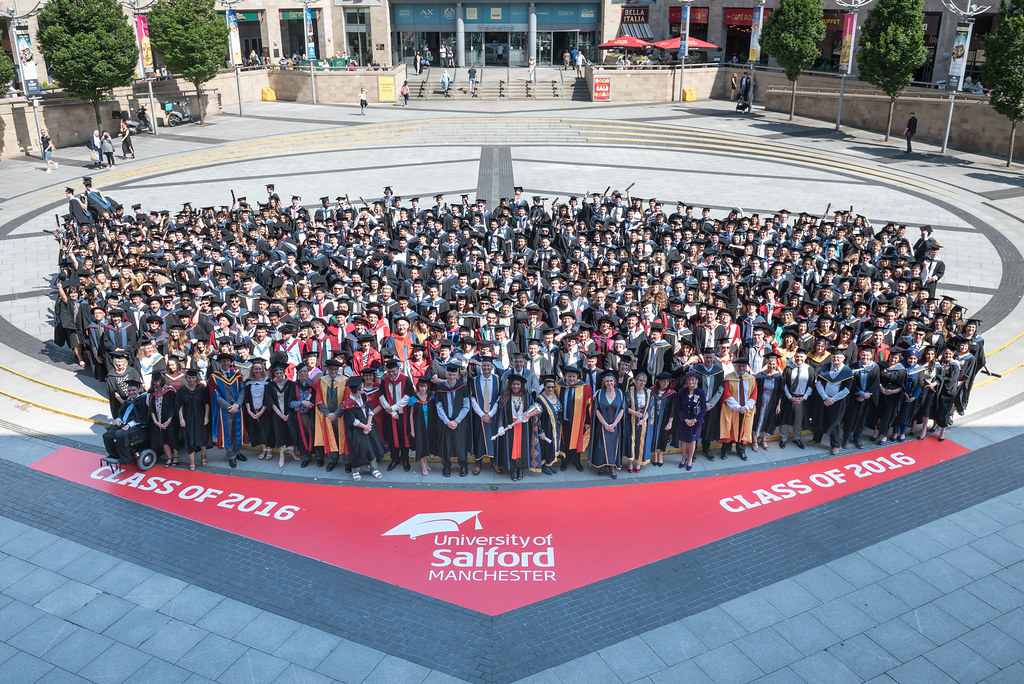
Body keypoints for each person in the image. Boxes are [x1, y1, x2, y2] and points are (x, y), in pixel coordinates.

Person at [342, 375, 385, 481]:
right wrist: (364, 427)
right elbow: (352, 421)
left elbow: (370, 412)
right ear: (357, 389)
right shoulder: (348, 404)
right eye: (361, 386)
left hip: (368, 427)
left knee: (371, 448)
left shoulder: (365, 397)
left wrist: (368, 426)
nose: (363, 386)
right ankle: (355, 470)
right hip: (356, 430)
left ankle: (374, 468)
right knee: (357, 449)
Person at [496, 373, 537, 481]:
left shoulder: (527, 397)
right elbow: (501, 413)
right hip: (510, 426)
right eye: (514, 384)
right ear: (510, 385)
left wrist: (528, 417)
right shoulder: (505, 397)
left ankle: (520, 468)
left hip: (523, 427)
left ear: (522, 385)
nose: (516, 386)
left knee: (521, 448)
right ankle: (513, 469)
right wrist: (500, 426)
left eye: (518, 384)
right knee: (512, 448)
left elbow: (533, 411)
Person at [210, 353, 247, 468]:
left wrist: (238, 405)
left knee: (237, 431)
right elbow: (216, 395)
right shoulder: (214, 377)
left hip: (237, 408)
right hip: (225, 411)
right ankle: (231, 456)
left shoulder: (236, 374)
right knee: (228, 433)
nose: (225, 363)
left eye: (227, 361)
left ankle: (237, 452)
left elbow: (242, 390)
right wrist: (229, 407)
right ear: (219, 363)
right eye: (223, 361)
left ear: (230, 362)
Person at [814, 352, 854, 455]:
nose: (836, 359)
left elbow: (846, 390)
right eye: (834, 357)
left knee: (834, 423)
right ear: (831, 357)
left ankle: (835, 445)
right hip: (824, 399)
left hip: (837, 402)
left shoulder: (847, 370)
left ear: (843, 359)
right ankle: (816, 439)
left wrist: (833, 399)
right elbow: (818, 383)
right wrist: (825, 397)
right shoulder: (826, 367)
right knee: (820, 418)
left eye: (838, 357)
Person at [435, 362, 471, 476]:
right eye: (449, 374)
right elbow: (439, 406)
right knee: (446, 445)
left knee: (460, 444)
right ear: (446, 374)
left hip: (459, 422)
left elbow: (466, 406)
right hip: (445, 423)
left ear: (457, 375)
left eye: (454, 375)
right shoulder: (440, 388)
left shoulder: (462, 387)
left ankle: (463, 465)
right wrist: (447, 421)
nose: (451, 377)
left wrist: (456, 421)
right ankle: (446, 466)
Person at [102, 379, 150, 464]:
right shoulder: (128, 401)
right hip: (123, 424)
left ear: (138, 390)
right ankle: (114, 455)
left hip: (137, 426)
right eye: (129, 391)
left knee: (120, 435)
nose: (131, 392)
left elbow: (141, 417)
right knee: (107, 435)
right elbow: (121, 413)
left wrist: (129, 425)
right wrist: (118, 420)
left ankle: (125, 458)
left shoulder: (142, 400)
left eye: (133, 390)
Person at [719, 354, 757, 460]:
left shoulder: (751, 379)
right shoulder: (729, 378)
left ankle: (741, 451)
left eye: (744, 366)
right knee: (729, 430)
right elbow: (727, 394)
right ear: (735, 367)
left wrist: (746, 407)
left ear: (746, 367)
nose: (741, 368)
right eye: (739, 366)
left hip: (746, 410)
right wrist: (738, 407)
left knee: (743, 430)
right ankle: (725, 450)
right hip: (731, 410)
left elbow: (754, 394)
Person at [379, 358, 413, 471]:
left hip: (403, 415)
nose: (391, 374)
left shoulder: (406, 380)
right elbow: (381, 397)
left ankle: (405, 459)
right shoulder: (384, 381)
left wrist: (393, 408)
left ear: (398, 369)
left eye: (393, 371)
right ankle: (395, 459)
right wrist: (392, 412)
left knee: (404, 437)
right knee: (391, 438)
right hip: (390, 416)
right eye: (389, 372)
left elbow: (407, 397)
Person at [314, 358, 348, 471]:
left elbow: (346, 400)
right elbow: (318, 400)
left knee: (344, 438)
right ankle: (333, 460)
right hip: (327, 416)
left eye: (336, 369)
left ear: (338, 369)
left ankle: (347, 461)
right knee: (331, 438)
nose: (333, 372)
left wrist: (336, 414)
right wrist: (328, 414)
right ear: (327, 369)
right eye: (331, 369)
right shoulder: (321, 381)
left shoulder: (346, 380)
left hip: (342, 416)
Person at [470, 356, 501, 474]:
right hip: (479, 415)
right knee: (479, 438)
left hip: (493, 415)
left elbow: (500, 398)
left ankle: (495, 462)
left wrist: (491, 414)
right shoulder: (474, 380)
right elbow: (472, 398)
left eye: (488, 365)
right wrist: (482, 414)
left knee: (494, 438)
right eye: (484, 365)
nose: (486, 368)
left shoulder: (498, 380)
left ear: (492, 367)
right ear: (481, 367)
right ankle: (478, 462)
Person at [557, 366, 592, 472]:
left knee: (577, 440)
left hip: (579, 419)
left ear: (577, 377)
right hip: (564, 419)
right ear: (565, 376)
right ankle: (565, 461)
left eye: (573, 376)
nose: (571, 379)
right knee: (565, 440)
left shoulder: (585, 387)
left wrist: (587, 422)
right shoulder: (559, 386)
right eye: (569, 376)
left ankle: (577, 461)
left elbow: (588, 405)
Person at [591, 371, 624, 478]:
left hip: (615, 425)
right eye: (607, 381)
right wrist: (605, 424)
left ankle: (612, 467)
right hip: (602, 425)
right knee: (601, 446)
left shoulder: (619, 393)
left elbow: (622, 410)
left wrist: (614, 424)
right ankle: (602, 465)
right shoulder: (600, 392)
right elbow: (596, 410)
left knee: (613, 446)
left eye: (611, 381)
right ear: (604, 383)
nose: (609, 383)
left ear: (614, 382)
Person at [177, 369, 210, 470]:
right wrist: (181, 418)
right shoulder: (181, 390)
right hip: (188, 418)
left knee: (202, 437)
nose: (191, 380)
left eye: (193, 377)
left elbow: (206, 403)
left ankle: (203, 455)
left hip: (200, 416)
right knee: (189, 438)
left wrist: (206, 417)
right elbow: (179, 405)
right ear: (186, 378)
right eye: (189, 377)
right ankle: (192, 461)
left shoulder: (202, 389)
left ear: (197, 378)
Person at [623, 369, 654, 473]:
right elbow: (625, 406)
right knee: (631, 441)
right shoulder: (629, 391)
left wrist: (644, 420)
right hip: (631, 421)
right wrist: (635, 413)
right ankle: (630, 462)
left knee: (641, 442)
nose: (642, 383)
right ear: (635, 380)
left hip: (643, 423)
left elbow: (650, 409)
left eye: (644, 381)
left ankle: (638, 462)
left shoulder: (649, 393)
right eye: (640, 380)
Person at [242, 360, 273, 461]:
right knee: (258, 429)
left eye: (260, 368)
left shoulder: (267, 381)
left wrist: (261, 411)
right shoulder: (248, 382)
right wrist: (249, 411)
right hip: (252, 410)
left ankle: (269, 449)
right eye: (255, 369)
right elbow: (246, 397)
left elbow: (268, 398)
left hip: (265, 409)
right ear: (252, 370)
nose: (258, 370)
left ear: (263, 369)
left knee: (267, 429)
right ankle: (263, 449)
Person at [676, 371, 706, 470]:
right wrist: (685, 419)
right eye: (689, 380)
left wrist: (695, 419)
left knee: (692, 441)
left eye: (693, 379)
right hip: (684, 422)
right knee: (684, 441)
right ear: (686, 381)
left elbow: (703, 408)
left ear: (696, 381)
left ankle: (690, 460)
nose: (691, 381)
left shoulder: (700, 392)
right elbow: (679, 408)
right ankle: (683, 458)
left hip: (696, 422)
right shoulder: (681, 392)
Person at [148, 372, 178, 467]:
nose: (157, 383)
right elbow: (151, 408)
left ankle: (176, 457)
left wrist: (169, 420)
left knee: (172, 438)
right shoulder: (151, 393)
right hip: (158, 420)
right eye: (155, 381)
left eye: (159, 381)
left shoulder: (169, 390)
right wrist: (156, 421)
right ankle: (169, 458)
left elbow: (173, 407)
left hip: (170, 419)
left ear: (162, 380)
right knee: (163, 439)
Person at [535, 375, 562, 475]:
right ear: (544, 387)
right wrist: (541, 431)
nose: (550, 389)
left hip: (556, 427)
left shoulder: (556, 396)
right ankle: (544, 465)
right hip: (546, 427)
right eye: (548, 387)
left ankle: (550, 463)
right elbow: (537, 418)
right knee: (546, 447)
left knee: (553, 446)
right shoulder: (540, 399)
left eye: (552, 387)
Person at [410, 377, 436, 475]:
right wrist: (412, 429)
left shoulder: (431, 397)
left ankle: (426, 462)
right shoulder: (414, 399)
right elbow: (411, 415)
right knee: (420, 445)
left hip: (429, 425)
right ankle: (423, 466)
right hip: (418, 426)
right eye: (421, 386)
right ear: (418, 387)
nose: (423, 389)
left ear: (427, 387)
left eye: (424, 386)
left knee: (426, 444)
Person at [649, 372, 676, 467]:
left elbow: (673, 408)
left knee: (663, 437)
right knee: (653, 436)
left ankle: (661, 455)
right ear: (659, 381)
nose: (666, 384)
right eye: (663, 382)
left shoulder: (671, 393)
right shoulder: (651, 391)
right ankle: (655, 454)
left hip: (665, 420)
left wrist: (670, 422)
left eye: (667, 382)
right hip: (653, 419)